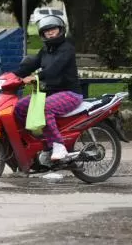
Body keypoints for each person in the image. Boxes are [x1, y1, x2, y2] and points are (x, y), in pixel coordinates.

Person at [13, 14, 82, 161]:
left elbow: (55, 69)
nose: (50, 32)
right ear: (42, 33)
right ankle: (32, 142)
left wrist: (36, 77)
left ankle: (58, 146)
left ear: (60, 30)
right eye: (46, 30)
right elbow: (32, 65)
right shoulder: (46, 49)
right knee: (19, 107)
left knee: (45, 108)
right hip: (50, 93)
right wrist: (12, 76)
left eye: (53, 29)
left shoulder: (67, 48)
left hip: (70, 93)